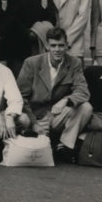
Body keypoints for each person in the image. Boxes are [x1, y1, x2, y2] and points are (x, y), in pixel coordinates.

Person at [16, 27, 93, 163]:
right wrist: (34, 124)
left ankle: (64, 146)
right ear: (47, 46)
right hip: (36, 117)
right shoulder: (32, 63)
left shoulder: (74, 63)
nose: (57, 49)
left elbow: (83, 91)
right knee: (33, 151)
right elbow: (21, 97)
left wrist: (66, 100)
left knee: (86, 107)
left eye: (61, 45)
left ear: (66, 45)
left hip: (57, 116)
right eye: (53, 45)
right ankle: (44, 141)